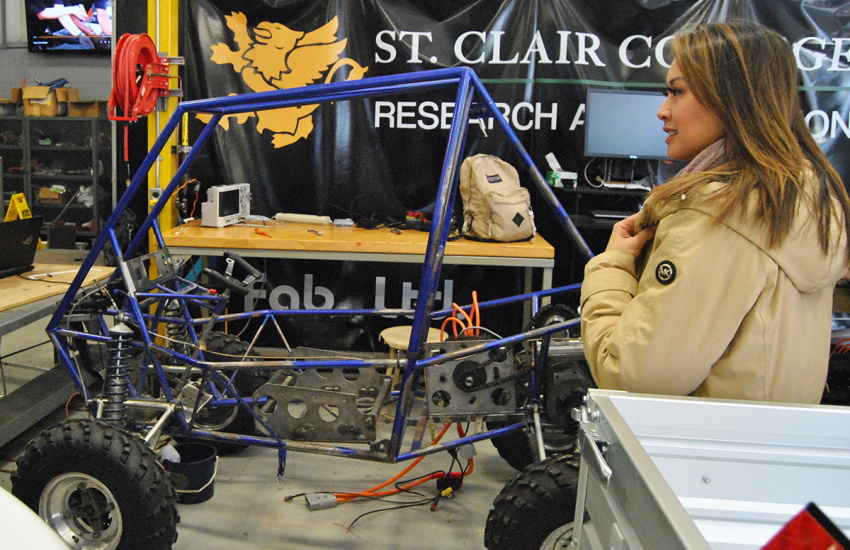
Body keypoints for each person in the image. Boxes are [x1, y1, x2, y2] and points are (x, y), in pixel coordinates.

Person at [580, 20, 850, 404]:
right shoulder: (807, 197)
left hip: (689, 456)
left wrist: (611, 266)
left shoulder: (719, 215)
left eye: (677, 92)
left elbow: (634, 376)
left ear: (732, 98)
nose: (662, 110)